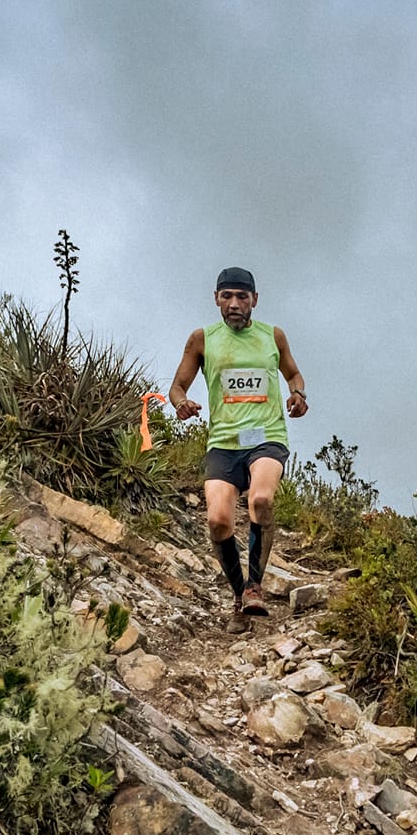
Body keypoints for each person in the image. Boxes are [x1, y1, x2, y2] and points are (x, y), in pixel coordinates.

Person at [167, 267, 309, 633]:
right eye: (226, 296)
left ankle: (256, 585)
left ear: (255, 300)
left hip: (267, 436)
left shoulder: (272, 336)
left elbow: (293, 373)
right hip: (224, 442)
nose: (234, 304)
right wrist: (182, 403)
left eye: (242, 297)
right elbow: (177, 386)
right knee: (218, 520)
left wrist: (298, 393)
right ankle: (239, 596)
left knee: (261, 500)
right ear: (216, 298)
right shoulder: (202, 339)